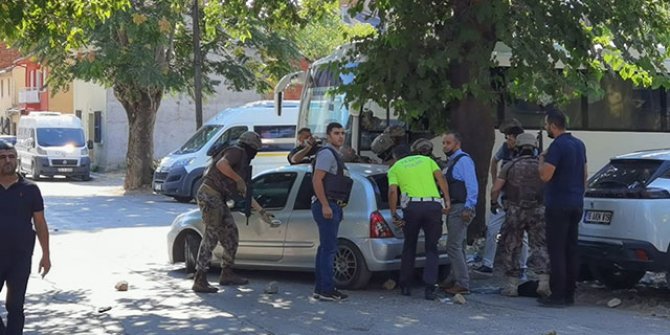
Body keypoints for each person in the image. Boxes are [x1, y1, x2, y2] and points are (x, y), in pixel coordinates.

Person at [192, 131, 275, 293]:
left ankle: (227, 273)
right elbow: (221, 165)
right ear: (250, 147)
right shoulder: (237, 151)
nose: (255, 154)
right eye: (255, 150)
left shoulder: (242, 159)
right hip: (210, 194)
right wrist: (237, 179)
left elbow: (245, 192)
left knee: (231, 233)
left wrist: (262, 212)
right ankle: (199, 278)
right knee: (211, 235)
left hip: (218, 198)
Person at [388, 140, 451, 300]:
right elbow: (440, 179)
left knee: (409, 246)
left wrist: (394, 213)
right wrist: (447, 201)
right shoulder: (427, 160)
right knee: (432, 248)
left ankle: (405, 285)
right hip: (433, 206)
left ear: (395, 157)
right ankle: (429, 288)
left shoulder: (395, 168)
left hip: (412, 207)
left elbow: (392, 192)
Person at [0, 141, 51, 334]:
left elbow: (40, 223)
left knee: (15, 306)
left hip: (19, 258)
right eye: (3, 157)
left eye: (11, 156)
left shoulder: (30, 189)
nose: (7, 161)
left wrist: (46, 255)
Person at [490, 133, 550, 297]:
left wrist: (493, 203)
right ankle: (544, 283)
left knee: (512, 246)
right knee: (540, 245)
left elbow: (495, 189)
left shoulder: (509, 165)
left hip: (515, 211)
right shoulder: (541, 166)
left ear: (517, 147)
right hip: (538, 210)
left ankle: (512, 287)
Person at [538, 109, 587, 307]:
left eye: (546, 125)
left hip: (558, 204)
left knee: (556, 250)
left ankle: (557, 295)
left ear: (553, 125)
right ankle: (569, 293)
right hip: (576, 203)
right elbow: (584, 175)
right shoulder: (579, 144)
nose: (545, 128)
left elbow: (545, 176)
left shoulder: (557, 146)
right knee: (571, 249)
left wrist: (542, 159)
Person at [475, 119, 530, 275]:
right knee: (492, 229)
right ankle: (488, 263)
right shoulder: (506, 149)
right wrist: (495, 181)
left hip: (520, 198)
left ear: (516, 138)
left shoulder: (529, 151)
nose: (507, 141)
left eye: (509, 138)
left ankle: (522, 265)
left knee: (523, 234)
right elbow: (494, 161)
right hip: (504, 194)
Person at [312, 122, 350, 301]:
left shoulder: (335, 154)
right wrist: (325, 205)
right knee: (329, 249)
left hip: (332, 204)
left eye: (342, 133)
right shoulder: (327, 154)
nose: (340, 136)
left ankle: (321, 288)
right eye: (336, 133)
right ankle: (326, 289)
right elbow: (317, 179)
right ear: (329, 135)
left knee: (325, 248)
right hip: (327, 204)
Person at [441, 132, 478, 295]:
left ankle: (462, 283)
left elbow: (472, 185)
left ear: (457, 144)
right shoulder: (452, 162)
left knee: (453, 246)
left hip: (461, 207)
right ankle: (455, 278)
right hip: (455, 207)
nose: (445, 146)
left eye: (448, 143)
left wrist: (469, 207)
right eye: (443, 143)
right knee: (459, 245)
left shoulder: (463, 161)